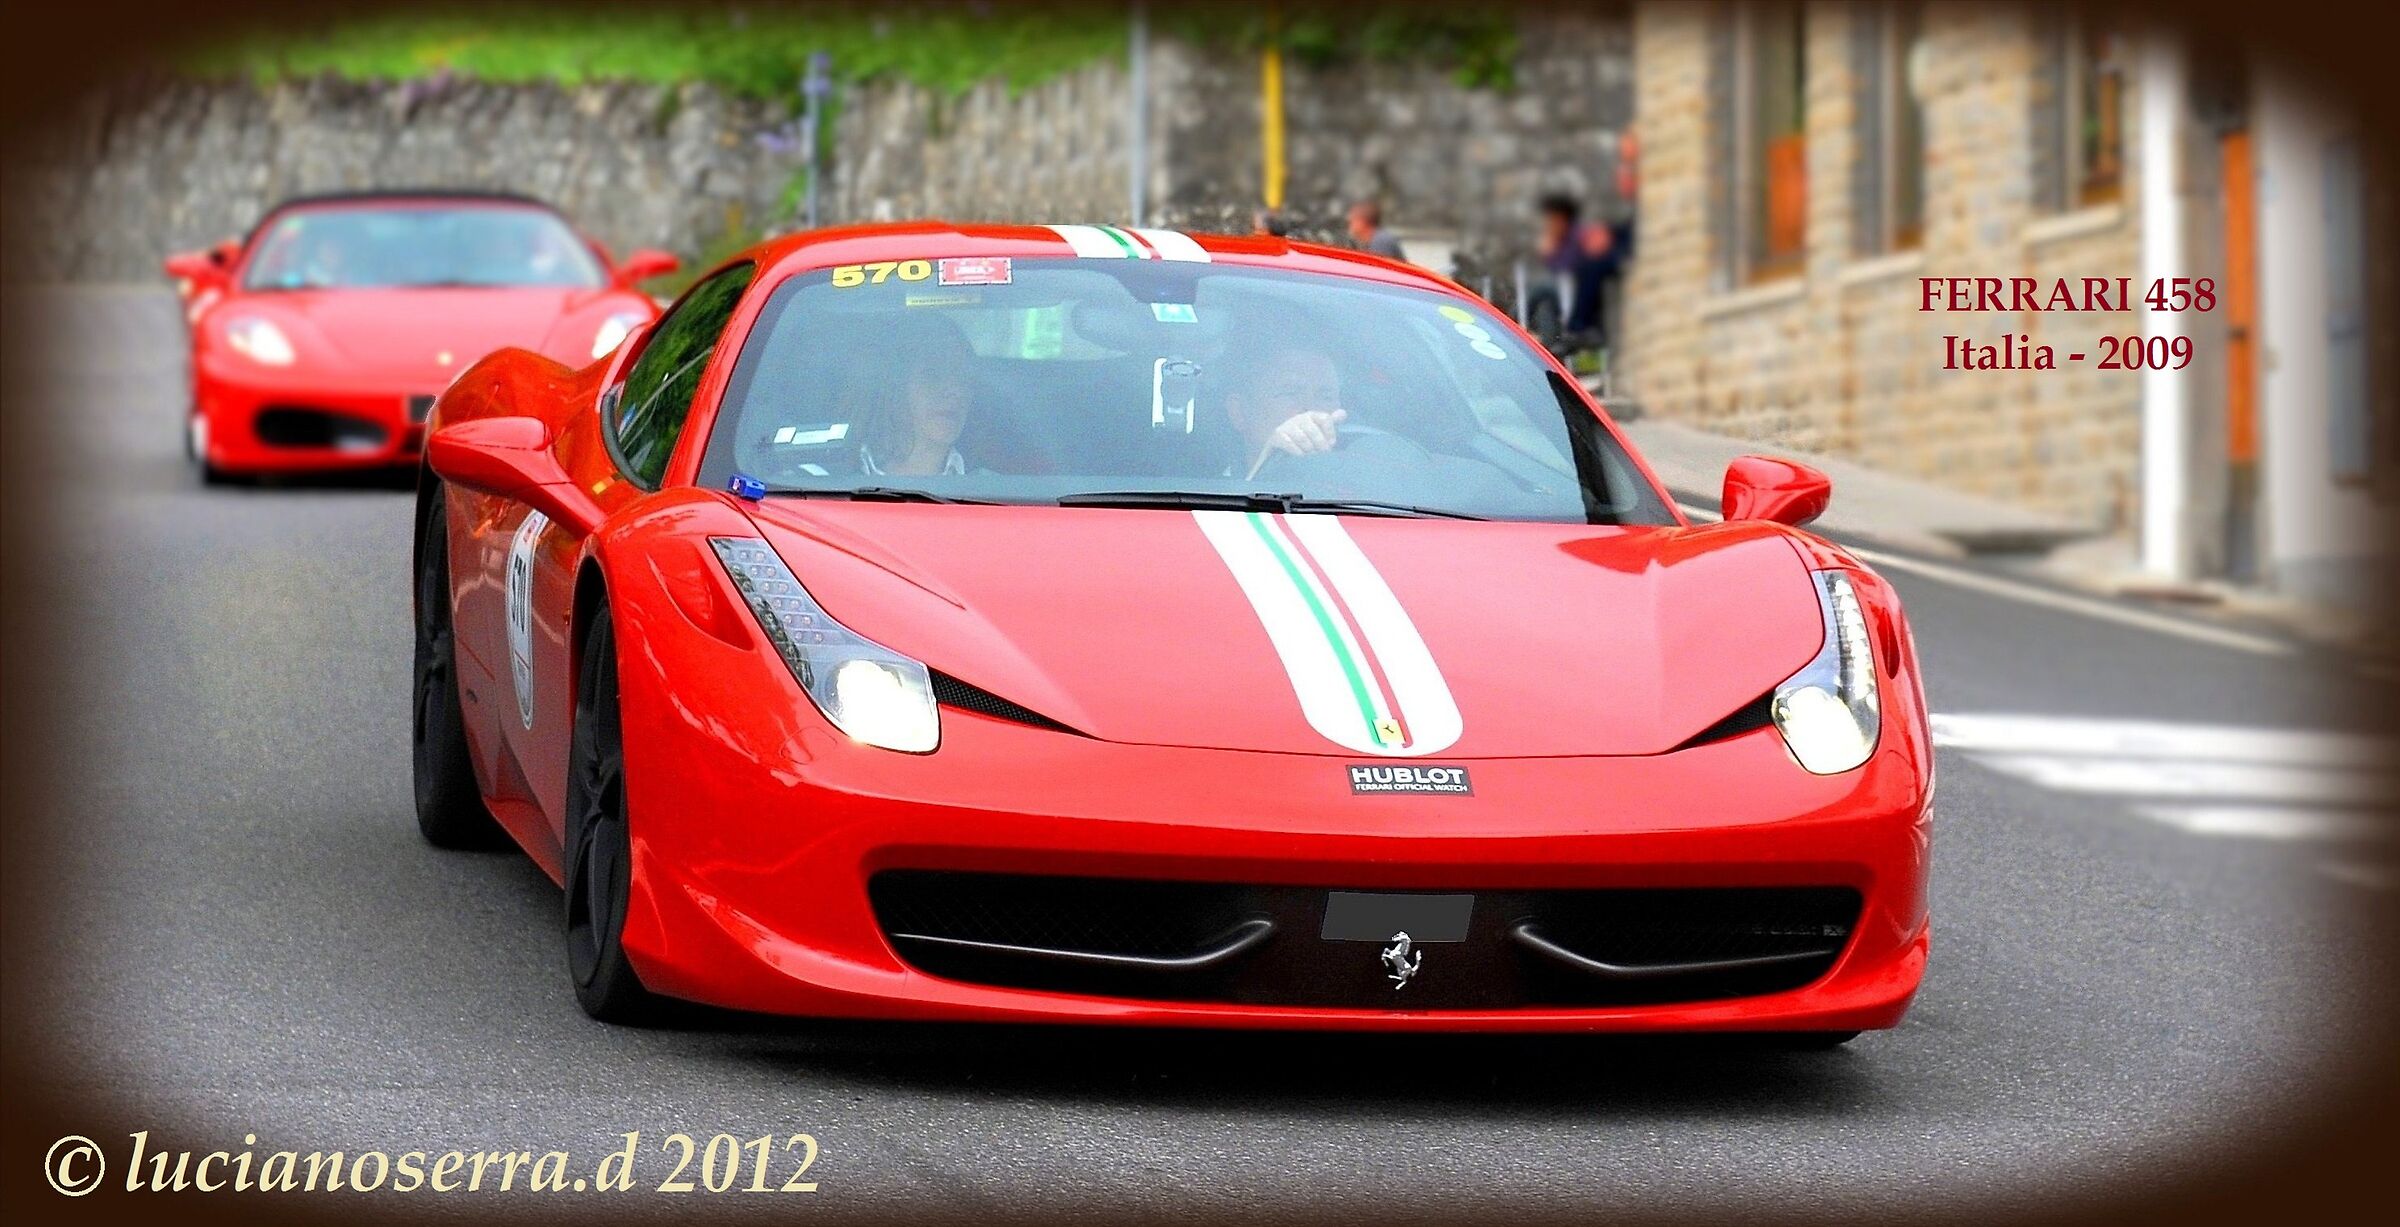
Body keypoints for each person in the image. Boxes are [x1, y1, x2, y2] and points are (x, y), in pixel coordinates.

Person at [848, 317, 979, 477]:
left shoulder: (995, 492)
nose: (955, 390)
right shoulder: (827, 480)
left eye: (964, 377)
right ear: (896, 385)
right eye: (933, 374)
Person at [1219, 341, 1350, 480]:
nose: (1310, 410)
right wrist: (1268, 465)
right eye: (1290, 393)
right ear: (1239, 412)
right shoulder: (1206, 493)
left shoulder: (1365, 487)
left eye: (1326, 397)